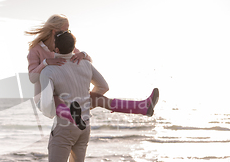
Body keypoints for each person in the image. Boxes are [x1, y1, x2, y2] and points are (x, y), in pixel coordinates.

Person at [26, 14, 159, 128]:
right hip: (45, 99)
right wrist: (45, 63)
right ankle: (74, 117)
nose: (69, 33)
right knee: (56, 99)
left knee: (98, 98)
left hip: (69, 97)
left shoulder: (63, 44)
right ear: (55, 31)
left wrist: (83, 54)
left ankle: (142, 107)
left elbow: (88, 61)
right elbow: (32, 78)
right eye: (66, 30)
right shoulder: (36, 50)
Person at [39, 31, 108, 162]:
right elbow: (104, 86)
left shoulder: (48, 71)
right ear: (73, 46)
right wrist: (86, 103)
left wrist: (53, 109)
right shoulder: (84, 63)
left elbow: (46, 105)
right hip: (84, 124)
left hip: (64, 125)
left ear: (56, 49)